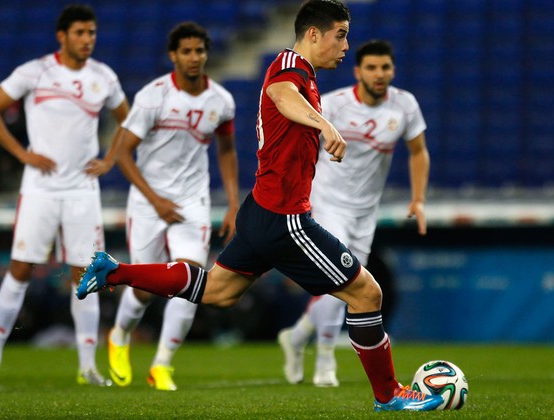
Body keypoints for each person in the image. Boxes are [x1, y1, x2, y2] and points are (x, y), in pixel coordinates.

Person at [76, 0, 442, 412]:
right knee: (366, 293)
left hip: (261, 210)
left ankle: (114, 270)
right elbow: (280, 95)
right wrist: (324, 125)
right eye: (340, 34)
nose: (345, 44)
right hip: (286, 221)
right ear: (314, 34)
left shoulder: (306, 73)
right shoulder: (290, 68)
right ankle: (389, 395)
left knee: (217, 291)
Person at [0, 4, 129, 388]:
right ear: (62, 36)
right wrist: (22, 153)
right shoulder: (35, 71)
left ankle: (88, 366)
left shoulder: (103, 76)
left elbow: (130, 119)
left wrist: (110, 159)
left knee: (86, 274)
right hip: (40, 188)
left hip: (81, 191)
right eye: (80, 33)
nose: (87, 39)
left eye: (91, 33)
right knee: (21, 269)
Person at [277, 40, 429, 388]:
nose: (379, 74)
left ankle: (298, 336)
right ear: (358, 71)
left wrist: (418, 198)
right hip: (327, 203)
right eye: (372, 68)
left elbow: (418, 151)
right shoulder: (333, 105)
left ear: (392, 70)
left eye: (385, 68)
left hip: (365, 212)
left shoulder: (405, 105)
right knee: (340, 283)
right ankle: (326, 360)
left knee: (352, 286)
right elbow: (298, 144)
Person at [107, 21, 239, 391]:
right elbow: (122, 153)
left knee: (192, 278)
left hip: (192, 201)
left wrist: (231, 203)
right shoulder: (154, 96)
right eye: (187, 51)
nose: (194, 57)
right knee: (146, 289)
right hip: (149, 202)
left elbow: (227, 152)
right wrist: (155, 200)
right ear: (173, 55)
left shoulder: (221, 101)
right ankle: (119, 335)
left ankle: (161, 364)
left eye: (200, 50)